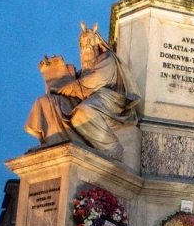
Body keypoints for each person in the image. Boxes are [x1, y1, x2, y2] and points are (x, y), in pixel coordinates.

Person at [25, 22, 141, 160]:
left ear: (98, 42)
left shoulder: (107, 58)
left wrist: (64, 88)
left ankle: (112, 147)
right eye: (83, 42)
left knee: (83, 113)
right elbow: (73, 84)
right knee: (45, 101)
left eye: (90, 41)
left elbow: (90, 83)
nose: (86, 45)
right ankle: (53, 142)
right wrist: (53, 72)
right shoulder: (84, 69)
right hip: (87, 98)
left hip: (110, 99)